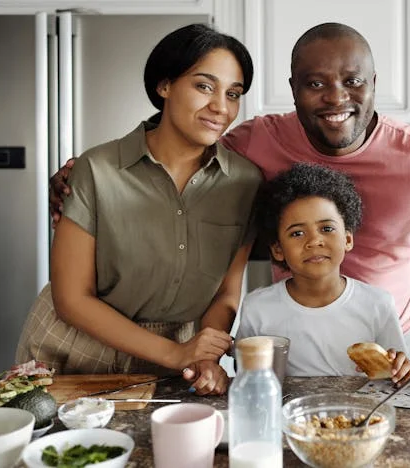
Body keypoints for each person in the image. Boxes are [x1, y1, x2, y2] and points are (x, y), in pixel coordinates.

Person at [47, 22, 410, 373]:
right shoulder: (255, 142)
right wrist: (86, 173)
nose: (336, 97)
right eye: (316, 83)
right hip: (295, 342)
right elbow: (181, 141)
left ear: (374, 85)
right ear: (293, 90)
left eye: (353, 81)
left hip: (391, 343)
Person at [17, 23, 261, 395]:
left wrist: (203, 356)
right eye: (204, 86)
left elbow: (225, 294)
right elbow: (71, 299)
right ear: (164, 86)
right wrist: (176, 354)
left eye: (233, 94)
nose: (221, 107)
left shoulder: (245, 183)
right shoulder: (96, 170)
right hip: (71, 348)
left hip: (175, 358)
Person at [236, 163, 410, 384]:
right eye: (297, 233)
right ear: (278, 249)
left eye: (327, 229)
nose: (314, 241)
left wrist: (401, 368)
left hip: (361, 406)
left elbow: (395, 374)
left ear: (347, 239)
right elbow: (245, 375)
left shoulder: (378, 303)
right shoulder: (257, 308)